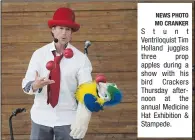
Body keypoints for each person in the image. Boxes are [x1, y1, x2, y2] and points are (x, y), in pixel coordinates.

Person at [22, 7, 93, 140]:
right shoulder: (39, 54)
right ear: (53, 30)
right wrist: (35, 85)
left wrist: (83, 118)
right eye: (60, 28)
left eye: (68, 29)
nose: (64, 33)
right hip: (40, 119)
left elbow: (87, 91)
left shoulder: (81, 59)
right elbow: (26, 85)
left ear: (71, 33)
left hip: (68, 120)